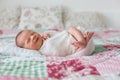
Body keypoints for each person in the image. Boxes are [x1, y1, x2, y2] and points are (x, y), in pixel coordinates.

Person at [16, 27, 94, 57]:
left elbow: (59, 35)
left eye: (32, 33)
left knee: (71, 29)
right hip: (77, 50)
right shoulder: (41, 53)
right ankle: (85, 42)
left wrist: (48, 36)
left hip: (74, 37)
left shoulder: (46, 35)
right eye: (28, 40)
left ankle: (82, 40)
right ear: (27, 49)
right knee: (75, 56)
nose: (33, 37)